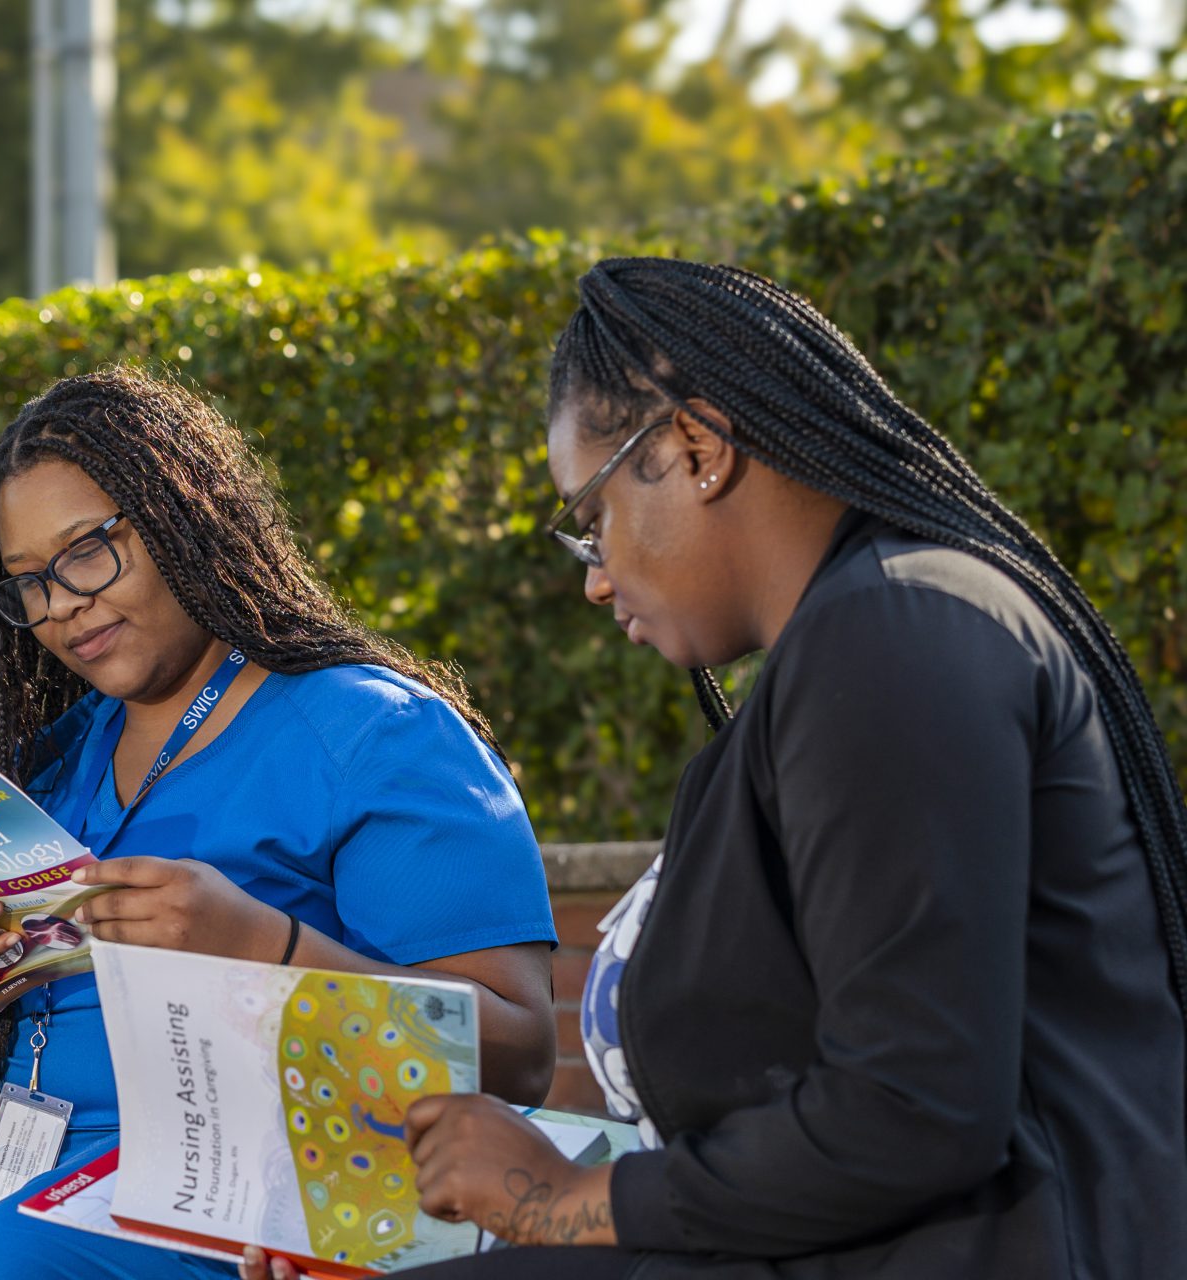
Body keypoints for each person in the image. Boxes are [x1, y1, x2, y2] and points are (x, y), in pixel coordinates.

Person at [239, 259, 1187, 1280]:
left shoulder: (895, 632)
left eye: (590, 518)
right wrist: (469, 1213)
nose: (596, 579)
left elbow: (912, 1110)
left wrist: (560, 1201)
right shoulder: (847, 653)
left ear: (695, 449)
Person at [0, 368, 560, 1280]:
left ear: (184, 517)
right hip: (5, 1167)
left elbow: (519, 1058)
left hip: (238, 1176)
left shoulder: (374, 733)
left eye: (87, 552)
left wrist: (262, 945)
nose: (61, 604)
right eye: (28, 583)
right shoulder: (52, 765)